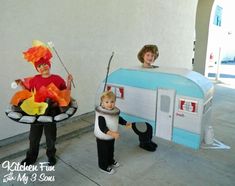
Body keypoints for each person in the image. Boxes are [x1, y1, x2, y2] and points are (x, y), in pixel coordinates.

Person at [18, 41, 73, 166]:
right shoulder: (35, 79)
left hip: (51, 111)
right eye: (40, 66)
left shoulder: (57, 78)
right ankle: (31, 157)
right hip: (36, 110)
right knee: (33, 137)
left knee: (51, 137)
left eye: (45, 64)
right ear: (37, 68)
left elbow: (65, 93)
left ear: (49, 64)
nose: (43, 67)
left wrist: (68, 81)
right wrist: (22, 85)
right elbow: (28, 93)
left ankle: (51, 155)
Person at [94, 91, 132, 175]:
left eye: (112, 102)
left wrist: (125, 123)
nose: (110, 104)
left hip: (111, 137)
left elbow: (118, 119)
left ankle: (110, 160)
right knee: (103, 151)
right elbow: (102, 127)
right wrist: (112, 134)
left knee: (110, 149)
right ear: (102, 103)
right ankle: (103, 166)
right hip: (102, 137)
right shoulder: (101, 114)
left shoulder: (113, 111)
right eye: (106, 102)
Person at [131, 44, 159, 152]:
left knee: (150, 123)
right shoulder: (139, 70)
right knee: (142, 124)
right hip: (141, 100)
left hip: (151, 99)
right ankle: (143, 142)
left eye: (152, 55)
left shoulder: (155, 69)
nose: (150, 57)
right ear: (143, 55)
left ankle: (149, 140)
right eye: (148, 55)